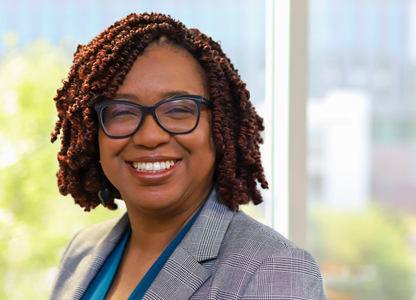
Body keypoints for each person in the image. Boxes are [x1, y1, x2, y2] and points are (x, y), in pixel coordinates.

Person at [49, 12, 326, 300]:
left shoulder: (274, 268)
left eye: (179, 110)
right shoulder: (81, 251)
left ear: (220, 125)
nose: (149, 136)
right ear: (91, 133)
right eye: (121, 112)